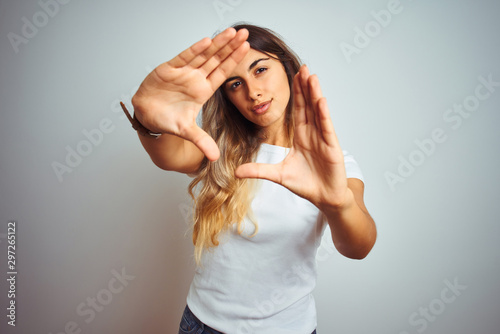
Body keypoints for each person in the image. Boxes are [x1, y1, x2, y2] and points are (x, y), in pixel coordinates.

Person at [121, 23, 377, 334]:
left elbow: (358, 245)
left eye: (260, 70)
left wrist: (338, 204)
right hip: (202, 325)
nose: (252, 92)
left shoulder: (332, 163)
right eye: (234, 84)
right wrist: (149, 121)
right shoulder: (221, 149)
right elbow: (170, 157)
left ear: (286, 67)